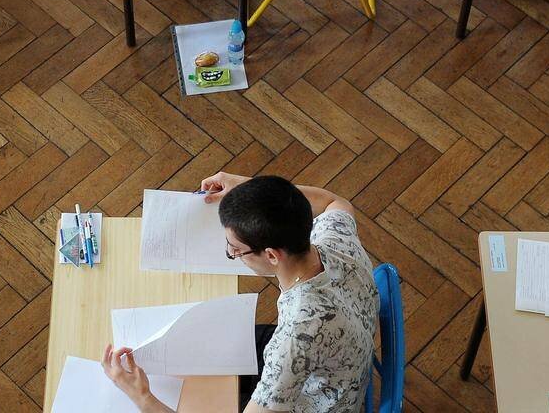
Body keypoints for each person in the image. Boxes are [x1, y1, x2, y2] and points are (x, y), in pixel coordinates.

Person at [102, 173, 379, 412]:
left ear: (272, 255)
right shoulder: (335, 237)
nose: (231, 253)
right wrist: (248, 191)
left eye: (235, 250)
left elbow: (292, 349)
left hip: (322, 398)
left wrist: (142, 396)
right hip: (340, 352)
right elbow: (333, 202)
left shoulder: (294, 340)